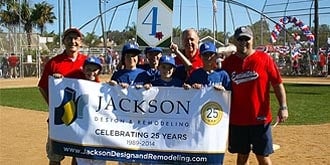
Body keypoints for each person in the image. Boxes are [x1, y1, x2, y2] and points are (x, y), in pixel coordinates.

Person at [222, 26, 289, 165]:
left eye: (246, 39)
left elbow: (277, 84)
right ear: (235, 41)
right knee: (241, 156)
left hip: (260, 118)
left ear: (252, 39)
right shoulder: (228, 63)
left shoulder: (264, 59)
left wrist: (283, 106)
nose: (243, 42)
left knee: (262, 156)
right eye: (240, 39)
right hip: (237, 119)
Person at [38, 27, 87, 165]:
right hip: (59, 119)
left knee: (78, 156)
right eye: (69, 38)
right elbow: (42, 87)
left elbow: (95, 85)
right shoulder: (54, 62)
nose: (73, 41)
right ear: (64, 41)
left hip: (81, 118)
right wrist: (53, 105)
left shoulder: (87, 62)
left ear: (80, 42)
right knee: (55, 156)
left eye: (76, 38)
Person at [76, 56, 106, 165]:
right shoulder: (77, 86)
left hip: (98, 135)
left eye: (94, 70)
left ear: (99, 71)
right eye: (88, 69)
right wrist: (58, 79)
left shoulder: (104, 89)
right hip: (82, 134)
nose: (91, 72)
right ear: (83, 70)